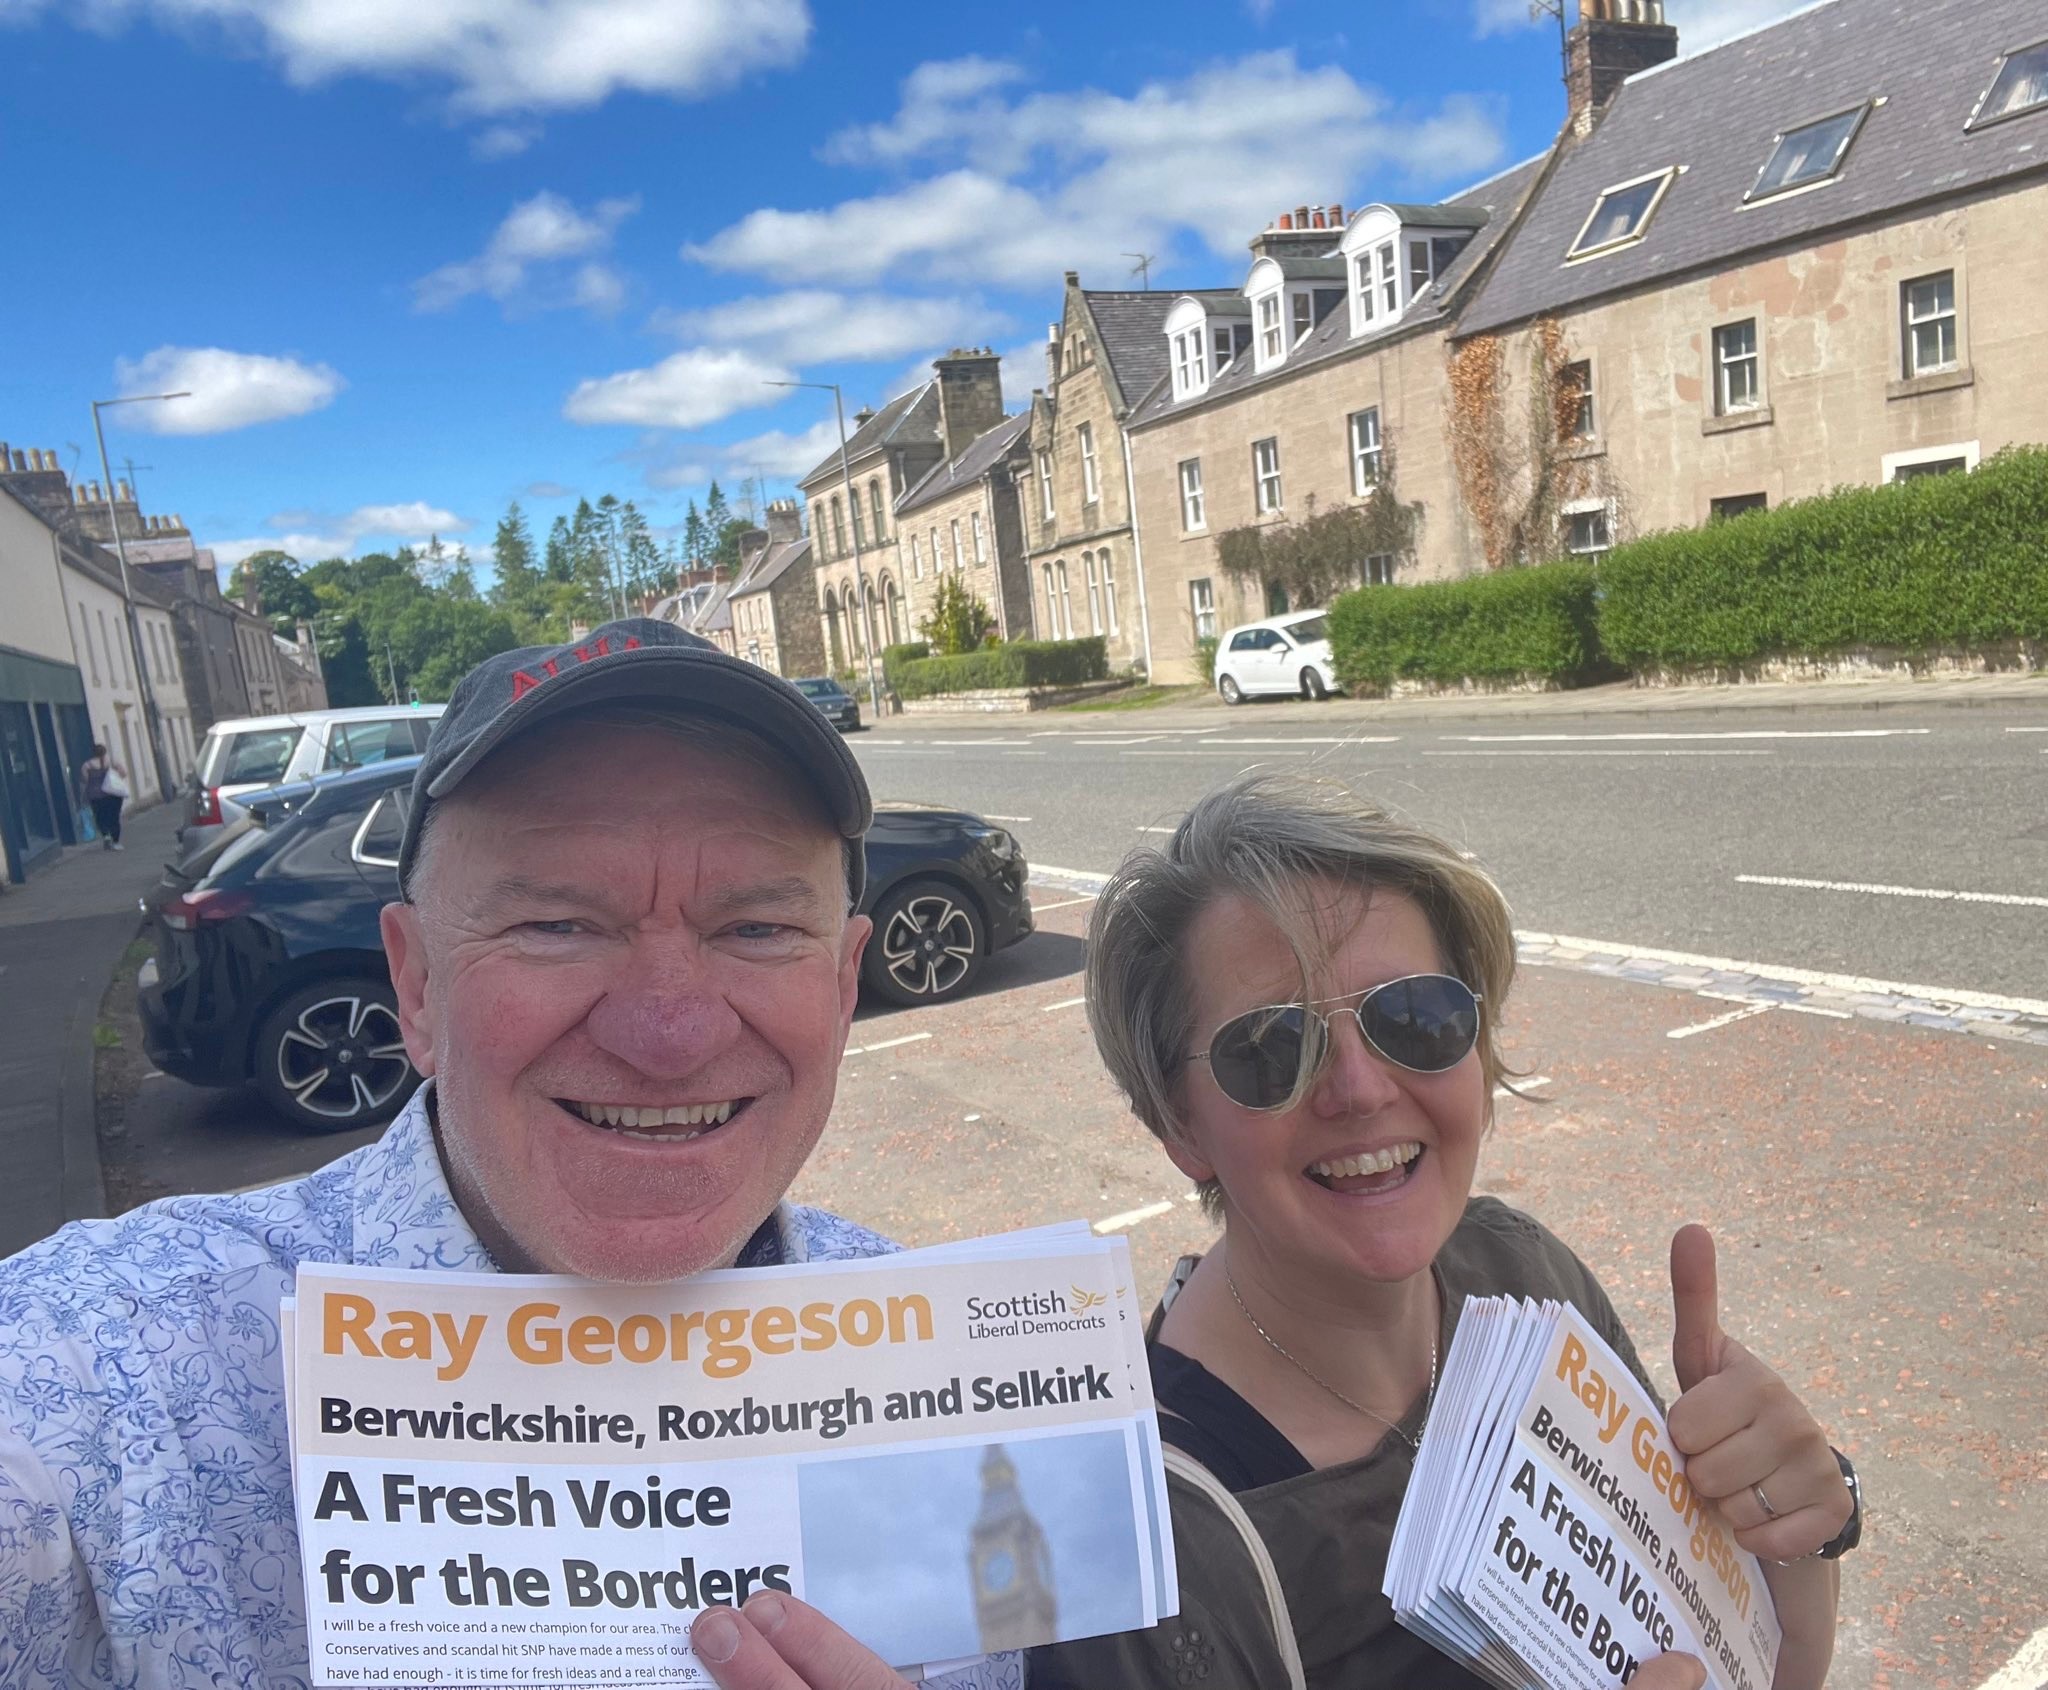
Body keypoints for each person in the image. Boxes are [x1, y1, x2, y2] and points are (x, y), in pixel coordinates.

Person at [0, 619, 1010, 1689]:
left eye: (756, 929)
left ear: (844, 985)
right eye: (558, 926)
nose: (668, 1035)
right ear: (418, 984)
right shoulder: (102, 1378)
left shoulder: (971, 1394)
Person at [1022, 770, 1860, 1690]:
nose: (1361, 1089)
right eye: (1273, 1049)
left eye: (1413, 1017)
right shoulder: (1146, 1551)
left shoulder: (1527, 1278)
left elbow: (1769, 1672)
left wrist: (1787, 1541)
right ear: (1177, 1125)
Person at [78, 740, 125, 848]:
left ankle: (106, 835)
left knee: (100, 816)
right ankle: (116, 842)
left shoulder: (87, 765)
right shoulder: (112, 762)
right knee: (114, 817)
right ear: (105, 752)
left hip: (96, 796)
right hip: (112, 794)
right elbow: (123, 773)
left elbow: (85, 780)